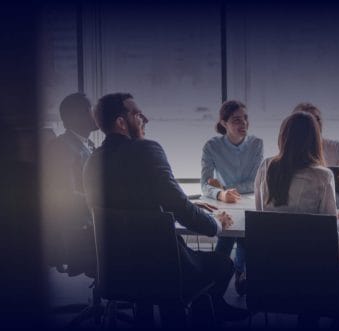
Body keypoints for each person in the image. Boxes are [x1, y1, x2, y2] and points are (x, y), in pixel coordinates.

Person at [83, 93, 248, 325]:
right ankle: (200, 317)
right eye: (138, 114)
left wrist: (183, 203)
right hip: (164, 269)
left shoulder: (92, 161)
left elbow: (131, 200)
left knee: (170, 280)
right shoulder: (146, 150)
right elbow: (180, 208)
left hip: (117, 271)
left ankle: (185, 314)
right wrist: (216, 224)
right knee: (223, 264)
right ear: (121, 122)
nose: (145, 119)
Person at [253, 111, 339, 326]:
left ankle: (310, 316)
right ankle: (335, 318)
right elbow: (327, 240)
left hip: (272, 272)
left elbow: (261, 216)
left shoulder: (265, 167)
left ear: (283, 137)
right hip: (313, 276)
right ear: (314, 140)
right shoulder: (322, 175)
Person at [201, 100, 263, 296]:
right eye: (237, 119)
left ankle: (235, 273)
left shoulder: (256, 144)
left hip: (249, 202)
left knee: (246, 231)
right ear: (224, 123)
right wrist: (219, 193)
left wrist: (225, 188)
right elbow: (205, 184)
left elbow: (255, 182)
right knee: (228, 234)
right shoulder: (211, 146)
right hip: (223, 203)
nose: (243, 123)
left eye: (245, 118)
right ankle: (225, 277)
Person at [292, 102, 339, 268]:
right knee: (338, 235)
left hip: (335, 203)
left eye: (316, 118)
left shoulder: (334, 147)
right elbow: (331, 232)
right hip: (316, 221)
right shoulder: (324, 175)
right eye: (306, 119)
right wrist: (338, 220)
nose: (313, 123)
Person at [43, 93, 98, 276]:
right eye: (91, 109)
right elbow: (64, 195)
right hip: (79, 232)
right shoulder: (61, 147)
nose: (95, 113)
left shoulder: (84, 144)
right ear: (79, 115)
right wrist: (103, 203)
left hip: (90, 225)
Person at [292, 102, 339, 167]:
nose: (316, 123)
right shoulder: (291, 151)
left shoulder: (335, 148)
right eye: (310, 120)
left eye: (317, 119)